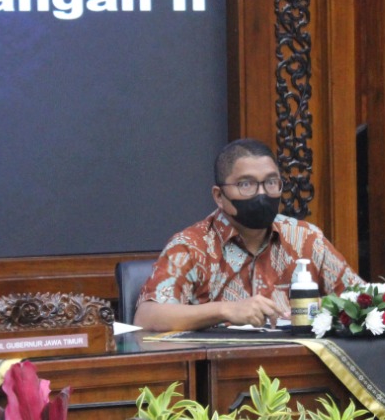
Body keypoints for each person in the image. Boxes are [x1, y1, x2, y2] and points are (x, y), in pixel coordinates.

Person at [134, 138, 362, 331]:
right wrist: (225, 310)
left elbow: (364, 300)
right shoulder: (191, 247)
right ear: (219, 196)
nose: (262, 194)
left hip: (295, 365)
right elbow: (146, 317)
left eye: (271, 182)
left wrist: (322, 306)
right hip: (224, 366)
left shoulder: (305, 239)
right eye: (246, 184)